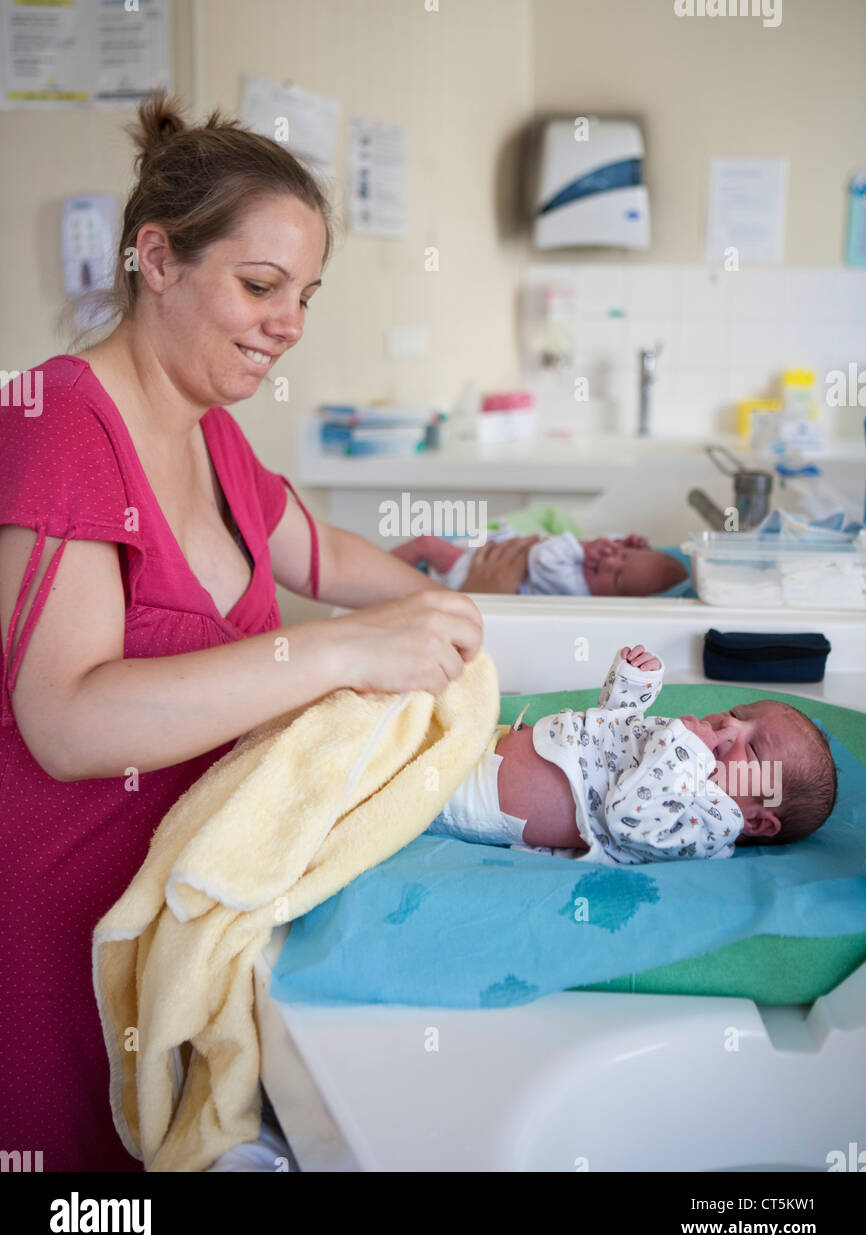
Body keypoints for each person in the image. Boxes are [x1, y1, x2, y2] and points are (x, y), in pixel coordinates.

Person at [0, 91, 538, 1172]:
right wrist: (343, 650)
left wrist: (456, 613)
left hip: (191, 918)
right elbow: (64, 718)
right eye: (259, 285)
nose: (288, 322)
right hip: (67, 936)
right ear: (155, 257)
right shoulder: (58, 421)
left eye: (304, 295)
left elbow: (318, 551)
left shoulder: (210, 436)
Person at [427, 644, 838, 862]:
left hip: (483, 795)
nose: (731, 726)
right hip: (489, 743)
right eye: (737, 714)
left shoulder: (711, 822)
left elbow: (628, 816)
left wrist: (684, 752)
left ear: (758, 821)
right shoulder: (681, 752)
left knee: (400, 783)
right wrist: (631, 689)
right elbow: (611, 736)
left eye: (754, 747)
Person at [392, 528, 688, 596]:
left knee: (427, 543)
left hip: (472, 576)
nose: (609, 562)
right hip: (487, 560)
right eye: (621, 556)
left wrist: (588, 546)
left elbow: (542, 555)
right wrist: (625, 543)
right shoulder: (590, 570)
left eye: (618, 578)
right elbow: (607, 550)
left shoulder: (576, 588)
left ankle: (372, 572)